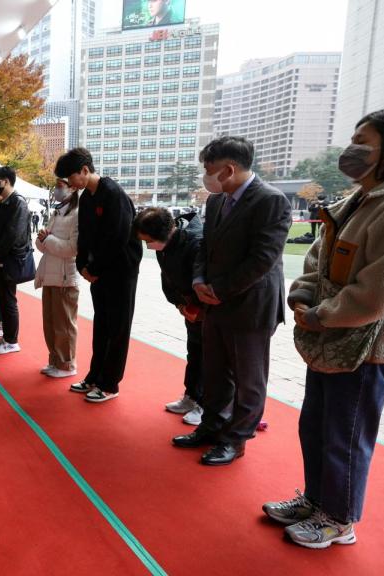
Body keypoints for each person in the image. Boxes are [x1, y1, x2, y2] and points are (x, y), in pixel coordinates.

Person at [263, 107, 384, 549]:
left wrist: (323, 314)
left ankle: (339, 519)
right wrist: (303, 296)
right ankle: (317, 500)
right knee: (315, 426)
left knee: (346, 437)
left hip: (367, 347)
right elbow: (318, 259)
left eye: (362, 142)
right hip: (331, 340)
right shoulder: (355, 201)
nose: (350, 150)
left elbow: (381, 290)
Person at [172, 136, 292, 466]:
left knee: (248, 379)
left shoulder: (271, 201)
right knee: (214, 371)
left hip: (250, 305)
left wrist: (219, 289)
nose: (206, 176)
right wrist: (199, 281)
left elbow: (263, 259)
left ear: (229, 168)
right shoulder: (216, 202)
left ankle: (236, 439)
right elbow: (204, 248)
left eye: (209, 170)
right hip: (215, 301)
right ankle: (211, 427)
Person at [58, 147, 142, 403]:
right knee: (101, 326)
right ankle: (95, 375)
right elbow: (85, 235)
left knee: (118, 328)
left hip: (120, 271)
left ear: (84, 170)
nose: (69, 184)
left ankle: (110, 384)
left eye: (70, 178)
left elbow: (117, 239)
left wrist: (94, 269)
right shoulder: (87, 198)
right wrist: (83, 265)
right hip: (98, 272)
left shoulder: (113, 194)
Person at [133, 207, 205, 425]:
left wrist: (197, 307)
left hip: (204, 308)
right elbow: (168, 279)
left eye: (149, 241)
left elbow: (202, 279)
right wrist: (180, 304)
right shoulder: (164, 246)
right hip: (187, 305)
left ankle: (206, 404)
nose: (148, 246)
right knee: (194, 352)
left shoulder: (195, 244)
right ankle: (191, 396)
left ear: (162, 235)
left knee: (208, 357)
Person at [35, 180, 82, 379]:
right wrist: (42, 238)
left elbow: (73, 249)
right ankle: (55, 360)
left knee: (64, 324)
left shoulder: (76, 214)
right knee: (51, 322)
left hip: (65, 277)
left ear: (72, 187)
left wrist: (48, 240)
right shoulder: (57, 212)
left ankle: (67, 364)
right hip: (51, 274)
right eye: (56, 185)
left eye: (61, 185)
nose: (57, 189)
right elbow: (42, 244)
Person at [0, 166, 31, 355]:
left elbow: (13, 234)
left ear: (7, 181)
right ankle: (6, 336)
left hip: (8, 259)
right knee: (1, 298)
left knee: (8, 300)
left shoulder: (18, 203)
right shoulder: (3, 203)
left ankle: (12, 341)